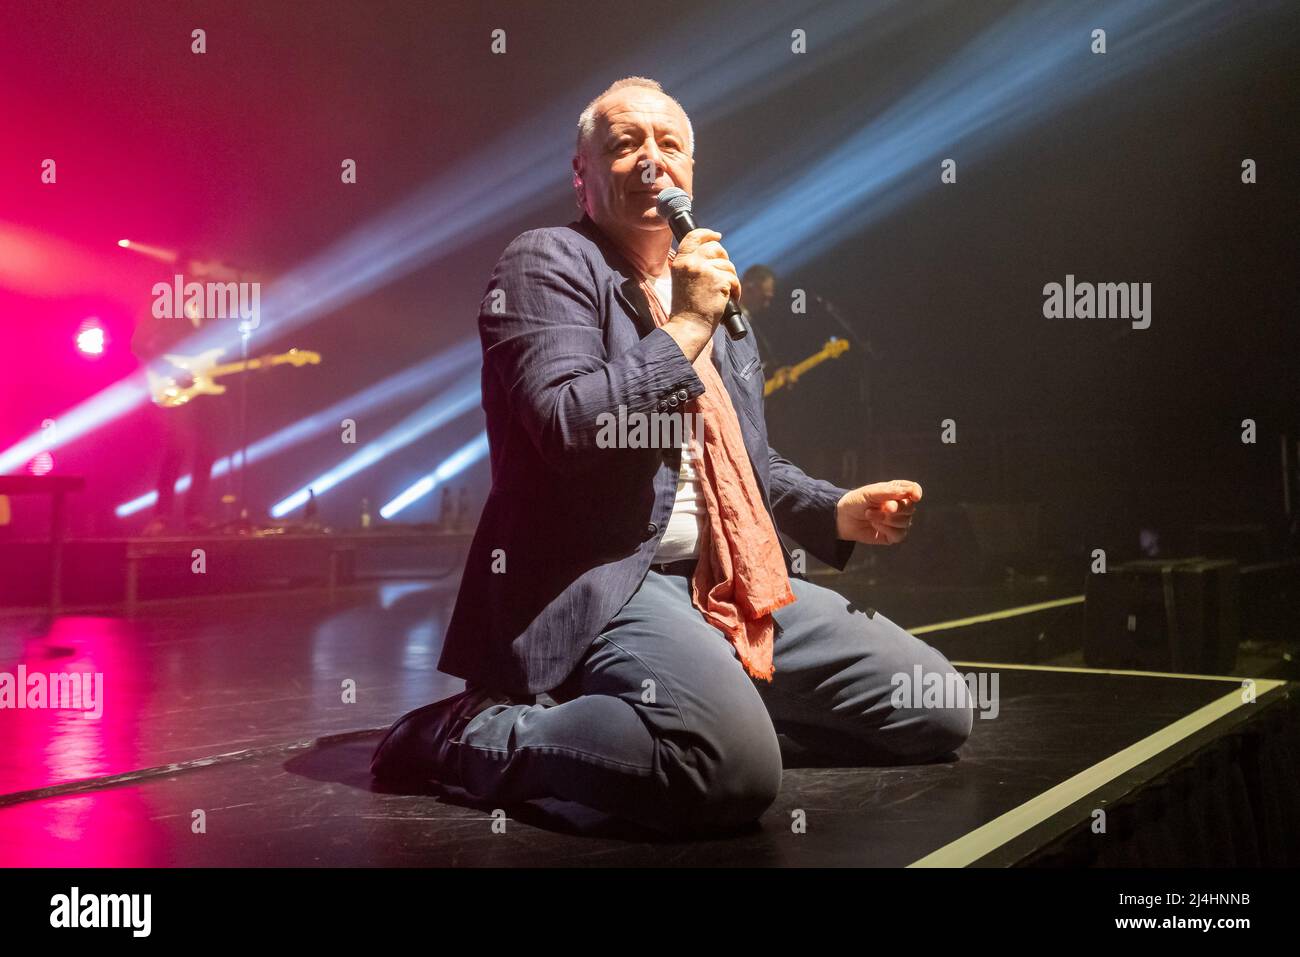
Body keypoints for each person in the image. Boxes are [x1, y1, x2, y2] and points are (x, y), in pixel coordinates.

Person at [371, 77, 972, 835]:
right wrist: (686, 325)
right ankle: (468, 736)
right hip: (607, 577)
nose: (652, 160)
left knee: (937, 707)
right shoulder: (548, 263)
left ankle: (696, 730)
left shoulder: (704, 293)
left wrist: (836, 509)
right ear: (582, 176)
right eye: (624, 145)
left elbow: (746, 464)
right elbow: (565, 425)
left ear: (692, 169)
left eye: (670, 144)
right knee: (730, 772)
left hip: (724, 577)